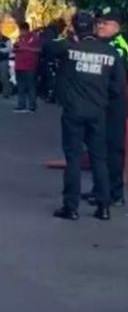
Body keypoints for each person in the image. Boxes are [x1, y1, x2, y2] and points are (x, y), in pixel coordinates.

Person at [51, 11, 125, 221]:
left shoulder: (69, 49)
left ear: (74, 28)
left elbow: (48, 48)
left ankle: (71, 207)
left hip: (73, 111)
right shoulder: (110, 52)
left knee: (73, 158)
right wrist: (103, 98)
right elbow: (118, 86)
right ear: (93, 27)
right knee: (99, 158)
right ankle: (104, 207)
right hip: (98, 111)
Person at [80, 8, 128, 207]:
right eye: (99, 22)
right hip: (99, 101)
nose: (100, 26)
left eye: (105, 23)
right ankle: (100, 189)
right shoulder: (102, 44)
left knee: (112, 148)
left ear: (116, 27)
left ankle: (114, 193)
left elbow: (115, 79)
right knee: (97, 146)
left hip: (114, 103)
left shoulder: (119, 46)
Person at [13, 22, 41, 113]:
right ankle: (21, 105)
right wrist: (16, 48)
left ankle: (32, 105)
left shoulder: (34, 38)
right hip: (19, 66)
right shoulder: (19, 38)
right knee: (20, 87)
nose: (21, 32)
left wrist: (26, 49)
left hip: (30, 66)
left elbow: (39, 49)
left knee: (31, 86)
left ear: (26, 30)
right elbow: (15, 48)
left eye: (22, 30)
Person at [0, 31, 13, 99]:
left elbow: (9, 49)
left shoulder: (6, 40)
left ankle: (6, 93)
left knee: (4, 77)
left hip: (3, 61)